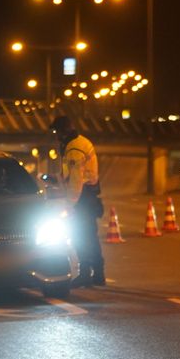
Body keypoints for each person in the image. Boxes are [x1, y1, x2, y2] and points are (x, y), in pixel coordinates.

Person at [51, 116, 105, 287]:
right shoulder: (81, 142)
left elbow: (76, 179)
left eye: (57, 132)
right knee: (90, 236)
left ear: (63, 131)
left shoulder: (74, 148)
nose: (56, 136)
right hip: (88, 196)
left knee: (81, 236)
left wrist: (70, 204)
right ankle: (98, 274)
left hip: (82, 198)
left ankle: (85, 274)